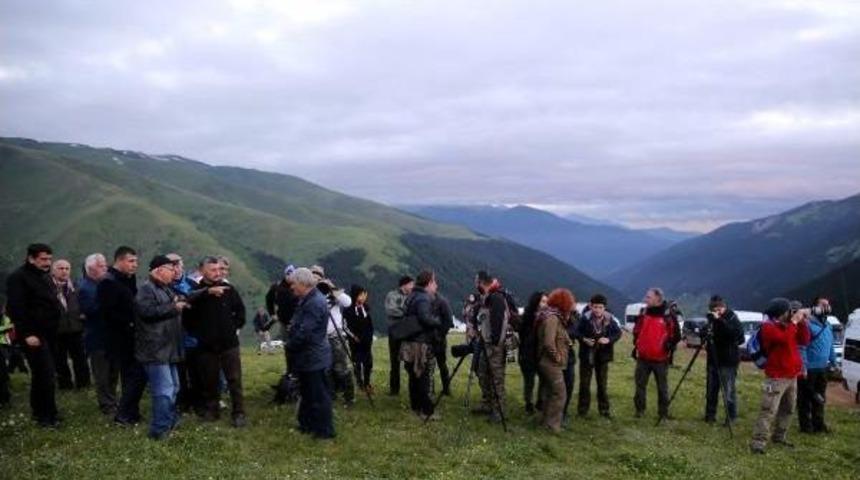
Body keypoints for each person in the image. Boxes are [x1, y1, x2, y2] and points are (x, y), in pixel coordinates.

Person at [184, 256, 247, 427]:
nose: (217, 273)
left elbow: (240, 312)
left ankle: (239, 412)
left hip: (229, 344)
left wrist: (231, 328)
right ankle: (212, 410)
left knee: (234, 379)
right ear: (202, 270)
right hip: (206, 346)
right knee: (209, 380)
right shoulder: (196, 292)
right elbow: (187, 318)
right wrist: (202, 333)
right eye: (213, 270)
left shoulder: (229, 289)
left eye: (219, 269)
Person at [5, 243, 63, 427]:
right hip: (33, 335)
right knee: (45, 374)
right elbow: (16, 309)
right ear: (31, 258)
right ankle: (46, 417)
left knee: (44, 374)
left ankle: (44, 411)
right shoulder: (18, 278)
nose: (47, 263)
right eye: (43, 259)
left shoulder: (43, 276)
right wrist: (27, 334)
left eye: (49, 259)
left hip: (50, 333)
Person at [135, 255, 188, 440]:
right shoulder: (146, 289)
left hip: (169, 348)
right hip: (155, 350)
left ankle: (169, 422)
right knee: (164, 390)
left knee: (174, 387)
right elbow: (147, 312)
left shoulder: (165, 289)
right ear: (158, 270)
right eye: (169, 268)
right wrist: (174, 308)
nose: (174, 271)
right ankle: (159, 430)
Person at [750, 298, 811, 454]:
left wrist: (802, 322)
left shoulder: (789, 326)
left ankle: (779, 436)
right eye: (788, 311)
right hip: (776, 376)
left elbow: (804, 340)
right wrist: (795, 322)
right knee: (769, 409)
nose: (791, 313)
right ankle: (758, 442)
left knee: (789, 408)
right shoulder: (768, 327)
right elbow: (783, 339)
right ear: (782, 312)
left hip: (791, 375)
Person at [286, 267, 334, 439]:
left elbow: (305, 331)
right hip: (309, 356)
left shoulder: (314, 303)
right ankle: (307, 424)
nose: (291, 287)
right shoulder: (309, 298)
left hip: (313, 355)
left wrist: (290, 345)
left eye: (293, 284)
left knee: (318, 394)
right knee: (307, 392)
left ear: (302, 283)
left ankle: (324, 430)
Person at [79, 253, 118, 415]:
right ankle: (106, 404)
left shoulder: (106, 283)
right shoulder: (85, 288)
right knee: (102, 373)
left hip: (112, 336)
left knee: (113, 371)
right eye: (101, 265)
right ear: (90, 268)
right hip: (97, 337)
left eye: (105, 264)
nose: (105, 267)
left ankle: (113, 399)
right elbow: (90, 310)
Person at [632, 287, 681, 419]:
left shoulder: (668, 315)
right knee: (640, 385)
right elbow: (637, 330)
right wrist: (637, 344)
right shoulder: (643, 312)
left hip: (661, 359)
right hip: (643, 357)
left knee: (662, 388)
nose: (645, 299)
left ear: (657, 299)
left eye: (648, 297)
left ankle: (663, 413)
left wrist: (668, 345)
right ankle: (639, 411)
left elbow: (677, 335)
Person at [401, 270, 441, 420]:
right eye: (434, 282)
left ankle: (415, 407)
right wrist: (437, 321)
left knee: (413, 376)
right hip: (419, 343)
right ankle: (427, 411)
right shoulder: (423, 298)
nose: (436, 285)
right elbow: (425, 319)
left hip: (410, 341)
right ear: (429, 283)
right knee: (422, 376)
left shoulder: (412, 296)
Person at [576, 294, 622, 419]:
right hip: (587, 355)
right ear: (591, 306)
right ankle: (582, 410)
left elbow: (618, 333)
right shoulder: (584, 318)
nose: (597, 310)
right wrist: (584, 339)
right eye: (595, 307)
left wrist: (609, 339)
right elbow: (576, 332)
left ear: (604, 308)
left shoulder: (610, 319)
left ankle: (604, 410)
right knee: (584, 384)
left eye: (600, 307)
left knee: (602, 384)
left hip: (603, 356)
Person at [473, 271, 510, 423]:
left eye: (476, 282)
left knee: (496, 378)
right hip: (485, 342)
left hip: (495, 345)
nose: (475, 285)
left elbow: (497, 321)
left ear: (481, 282)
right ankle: (487, 403)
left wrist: (495, 343)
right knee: (483, 373)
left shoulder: (496, 297)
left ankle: (499, 411)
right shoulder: (486, 298)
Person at [535, 288, 575, 432]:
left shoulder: (552, 316)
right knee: (560, 393)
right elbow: (548, 342)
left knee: (549, 392)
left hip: (547, 363)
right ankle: (553, 425)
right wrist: (557, 356)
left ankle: (545, 421)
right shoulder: (552, 318)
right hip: (550, 364)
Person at [797, 296, 838, 434]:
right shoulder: (807, 324)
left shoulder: (828, 325)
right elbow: (802, 347)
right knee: (805, 399)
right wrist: (803, 366)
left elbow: (830, 345)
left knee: (820, 397)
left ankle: (819, 424)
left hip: (822, 368)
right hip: (809, 369)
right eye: (823, 305)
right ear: (815, 307)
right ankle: (806, 427)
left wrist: (834, 362)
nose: (826, 307)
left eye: (828, 304)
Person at [703, 295, 745, 425]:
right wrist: (705, 331)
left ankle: (731, 417)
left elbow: (737, 336)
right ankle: (710, 415)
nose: (718, 311)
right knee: (711, 390)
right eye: (714, 308)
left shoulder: (732, 318)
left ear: (724, 307)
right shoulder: (711, 320)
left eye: (720, 307)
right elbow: (705, 335)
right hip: (713, 359)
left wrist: (720, 320)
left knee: (728, 391)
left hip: (728, 361)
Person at [316, 272, 355, 407]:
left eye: (319, 278)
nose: (317, 280)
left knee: (341, 367)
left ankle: (349, 397)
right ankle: (331, 395)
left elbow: (348, 302)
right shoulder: (314, 295)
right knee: (326, 368)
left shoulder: (334, 295)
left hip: (336, 336)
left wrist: (332, 289)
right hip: (320, 337)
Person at [50, 259, 90, 390]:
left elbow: (84, 303)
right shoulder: (48, 288)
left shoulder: (76, 286)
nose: (64, 271)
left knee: (80, 358)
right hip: (57, 330)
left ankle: (83, 384)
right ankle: (65, 385)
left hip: (76, 328)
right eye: (61, 268)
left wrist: (83, 315)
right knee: (60, 360)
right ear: (53, 270)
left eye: (67, 268)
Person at [519, 292, 547, 414]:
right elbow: (522, 334)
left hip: (542, 353)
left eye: (547, 302)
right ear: (536, 302)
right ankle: (528, 402)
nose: (545, 304)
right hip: (528, 353)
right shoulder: (527, 316)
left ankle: (540, 401)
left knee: (544, 379)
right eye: (543, 301)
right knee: (529, 381)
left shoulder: (549, 317)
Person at [385, 275, 413, 396]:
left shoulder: (411, 296)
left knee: (409, 360)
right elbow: (391, 310)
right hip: (395, 332)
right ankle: (394, 389)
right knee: (395, 361)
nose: (413, 286)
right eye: (411, 284)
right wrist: (406, 313)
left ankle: (413, 389)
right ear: (405, 284)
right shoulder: (392, 295)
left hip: (407, 332)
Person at [266, 265, 298, 372]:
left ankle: (298, 368)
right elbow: (268, 299)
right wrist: (272, 313)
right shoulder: (277, 287)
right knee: (287, 346)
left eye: (293, 275)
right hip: (284, 321)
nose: (291, 277)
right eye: (289, 275)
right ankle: (290, 369)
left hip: (298, 322)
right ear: (286, 275)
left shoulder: (298, 285)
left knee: (299, 345)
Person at [345, 285, 374, 392]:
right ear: (355, 295)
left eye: (364, 294)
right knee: (357, 362)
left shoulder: (365, 308)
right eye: (361, 294)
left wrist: (370, 336)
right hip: (355, 341)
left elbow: (369, 324)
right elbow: (346, 326)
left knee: (368, 363)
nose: (364, 297)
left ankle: (367, 382)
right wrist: (353, 337)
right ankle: (359, 382)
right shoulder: (349, 311)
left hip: (366, 341)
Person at [431, 293, 454, 396]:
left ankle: (446, 388)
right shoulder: (438, 300)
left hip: (438, 339)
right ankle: (431, 389)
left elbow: (448, 320)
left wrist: (441, 334)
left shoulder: (442, 301)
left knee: (441, 364)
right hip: (431, 338)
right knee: (432, 365)